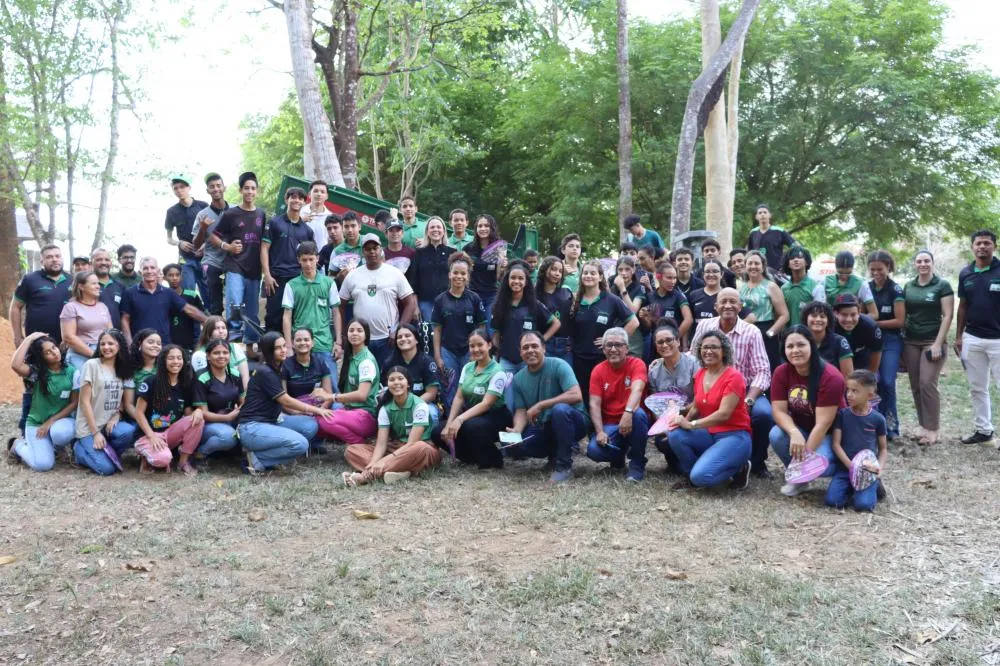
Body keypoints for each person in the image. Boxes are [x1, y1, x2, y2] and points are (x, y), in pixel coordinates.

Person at [690, 288, 773, 479]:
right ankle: (716, 457)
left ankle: (756, 462)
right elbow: (693, 356)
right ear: (716, 306)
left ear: (740, 306)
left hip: (745, 390)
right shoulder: (704, 326)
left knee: (763, 414)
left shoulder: (751, 331)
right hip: (712, 388)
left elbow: (762, 371)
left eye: (733, 302)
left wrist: (749, 400)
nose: (728, 305)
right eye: (723, 301)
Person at [669, 330, 753, 489]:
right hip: (709, 433)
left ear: (724, 351)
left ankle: (739, 468)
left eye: (714, 347)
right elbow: (696, 406)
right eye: (705, 347)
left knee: (702, 477)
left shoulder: (734, 377)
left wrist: (691, 425)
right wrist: (682, 422)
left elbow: (723, 414)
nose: (708, 351)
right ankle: (691, 475)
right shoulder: (700, 373)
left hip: (734, 435)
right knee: (676, 435)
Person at [238, 332, 331, 473]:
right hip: (252, 427)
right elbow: (285, 400)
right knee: (300, 444)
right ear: (269, 351)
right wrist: (317, 410)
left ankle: (274, 452)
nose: (284, 350)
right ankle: (257, 459)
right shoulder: (265, 372)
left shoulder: (278, 368)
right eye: (278, 348)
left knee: (310, 425)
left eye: (284, 346)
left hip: (273, 420)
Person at [769, 325, 846, 496]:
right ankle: (802, 480)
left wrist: (803, 465)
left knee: (820, 465)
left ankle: (842, 469)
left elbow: (823, 424)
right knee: (776, 435)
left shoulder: (831, 377)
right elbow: (779, 411)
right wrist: (794, 432)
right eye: (790, 346)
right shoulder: (781, 372)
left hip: (830, 433)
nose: (795, 350)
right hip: (803, 428)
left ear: (812, 345)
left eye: (801, 345)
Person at [506, 330, 589, 483]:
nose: (530, 350)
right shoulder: (518, 379)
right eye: (525, 347)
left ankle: (564, 466)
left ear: (544, 348)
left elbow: (576, 395)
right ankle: (554, 455)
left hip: (574, 421)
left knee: (560, 410)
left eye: (534, 346)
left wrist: (541, 405)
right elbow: (521, 410)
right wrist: (517, 430)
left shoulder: (559, 365)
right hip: (544, 426)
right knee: (512, 446)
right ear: (520, 352)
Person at [342, 366, 442, 487]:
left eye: (400, 379)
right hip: (397, 448)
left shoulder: (419, 405)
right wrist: (374, 462)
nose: (396, 383)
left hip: (419, 450)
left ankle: (365, 476)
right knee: (351, 450)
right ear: (387, 385)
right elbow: (381, 444)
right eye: (392, 380)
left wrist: (383, 461)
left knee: (420, 447)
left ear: (408, 384)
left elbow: (411, 444)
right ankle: (401, 472)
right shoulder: (385, 409)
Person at [432, 328, 512, 468]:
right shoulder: (468, 367)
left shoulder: (498, 372)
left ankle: (493, 460)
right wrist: (450, 422)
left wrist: (460, 419)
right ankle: (472, 457)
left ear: (489, 345)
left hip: (496, 416)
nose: (476, 349)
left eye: (480, 345)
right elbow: (459, 396)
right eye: (472, 346)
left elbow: (487, 403)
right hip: (472, 414)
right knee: (438, 432)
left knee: (471, 426)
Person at [339, 233, 417, 367]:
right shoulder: (352, 275)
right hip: (362, 339)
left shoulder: (395, 273)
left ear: (381, 249)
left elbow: (410, 303)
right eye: (368, 249)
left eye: (375, 248)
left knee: (389, 378)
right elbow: (340, 306)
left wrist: (398, 330)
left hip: (388, 338)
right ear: (363, 252)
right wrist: (344, 333)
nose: (372, 252)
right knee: (364, 377)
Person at [902, 249, 953, 446]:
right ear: (915, 264)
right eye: (919, 261)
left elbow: (948, 316)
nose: (923, 264)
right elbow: (905, 315)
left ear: (932, 263)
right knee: (915, 385)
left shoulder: (942, 285)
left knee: (927, 383)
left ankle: (933, 429)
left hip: (933, 341)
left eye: (926, 261)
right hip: (911, 342)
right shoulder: (909, 286)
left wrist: (938, 343)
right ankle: (923, 426)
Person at [569, 260, 639, 404]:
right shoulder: (575, 300)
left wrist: (611, 341)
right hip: (578, 359)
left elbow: (634, 322)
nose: (588, 276)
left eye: (593, 273)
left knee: (601, 398)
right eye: (586, 273)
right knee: (582, 399)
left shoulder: (611, 299)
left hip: (602, 359)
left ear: (600, 277)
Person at [585, 327, 649, 482]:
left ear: (627, 348)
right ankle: (618, 456)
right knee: (593, 451)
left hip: (633, 420)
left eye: (618, 345)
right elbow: (594, 404)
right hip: (611, 425)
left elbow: (638, 389)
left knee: (638, 414)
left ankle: (637, 463)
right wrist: (599, 431)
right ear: (604, 349)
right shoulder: (598, 370)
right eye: (609, 345)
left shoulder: (637, 364)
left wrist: (627, 413)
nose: (613, 349)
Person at [72, 329, 138, 476]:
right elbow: (84, 402)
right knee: (106, 469)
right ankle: (78, 451)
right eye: (102, 344)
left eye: (111, 344)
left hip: (108, 424)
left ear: (120, 346)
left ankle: (105, 451)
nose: (106, 347)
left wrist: (117, 415)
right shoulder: (91, 365)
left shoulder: (123, 369)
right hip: (89, 428)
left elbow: (121, 399)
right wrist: (95, 433)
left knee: (129, 431)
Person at [955, 229, 1000, 445]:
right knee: (977, 387)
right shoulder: (965, 273)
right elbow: (962, 307)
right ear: (973, 247)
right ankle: (984, 430)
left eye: (987, 243)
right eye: (978, 243)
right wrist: (958, 336)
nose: (982, 247)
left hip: (998, 340)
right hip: (972, 338)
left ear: (994, 246)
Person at [8, 333, 78, 471]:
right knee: (43, 465)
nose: (54, 352)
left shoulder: (72, 371)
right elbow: (16, 365)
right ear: (42, 357)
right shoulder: (37, 373)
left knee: (62, 434)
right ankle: (18, 446)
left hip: (60, 422)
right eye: (48, 352)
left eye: (54, 347)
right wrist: (28, 339)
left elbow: (74, 403)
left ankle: (57, 447)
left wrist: (50, 421)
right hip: (36, 424)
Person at [211, 171, 266, 346]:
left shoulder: (262, 215)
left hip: (254, 269)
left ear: (257, 191)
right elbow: (213, 235)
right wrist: (227, 247)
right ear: (240, 191)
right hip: (234, 266)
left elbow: (267, 242)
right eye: (246, 188)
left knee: (252, 311)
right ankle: (231, 343)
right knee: (234, 304)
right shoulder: (230, 214)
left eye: (253, 188)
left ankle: (250, 346)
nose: (250, 192)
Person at [133, 345, 203, 475]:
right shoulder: (150, 381)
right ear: (163, 361)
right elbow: (138, 412)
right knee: (163, 460)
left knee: (198, 420)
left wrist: (198, 411)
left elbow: (188, 416)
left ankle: (183, 462)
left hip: (169, 434)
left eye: (179, 358)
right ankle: (144, 455)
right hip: (149, 434)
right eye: (171, 358)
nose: (176, 362)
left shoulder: (184, 385)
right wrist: (151, 435)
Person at [282, 241, 342, 387]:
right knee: (301, 389)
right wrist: (289, 346)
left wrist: (338, 342)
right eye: (304, 260)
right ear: (299, 260)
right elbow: (287, 316)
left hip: (324, 343)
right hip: (301, 344)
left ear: (317, 258)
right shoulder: (291, 285)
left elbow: (336, 312)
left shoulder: (328, 283)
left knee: (332, 388)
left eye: (311, 259)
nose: (308, 264)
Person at [432, 252, 486, 410]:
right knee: (450, 388)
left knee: (470, 386)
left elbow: (481, 327)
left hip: (469, 352)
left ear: (468, 276)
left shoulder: (474, 299)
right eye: (455, 272)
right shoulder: (440, 300)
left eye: (463, 273)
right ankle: (450, 420)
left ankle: (469, 422)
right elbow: (437, 329)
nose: (459, 276)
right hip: (448, 351)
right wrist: (437, 356)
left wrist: (476, 351)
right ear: (449, 274)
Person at [492, 260, 559, 390]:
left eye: (521, 278)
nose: (516, 281)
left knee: (528, 394)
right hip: (507, 360)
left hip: (528, 360)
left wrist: (542, 340)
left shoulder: (534, 304)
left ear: (526, 282)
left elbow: (556, 323)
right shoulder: (500, 305)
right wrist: (500, 348)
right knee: (508, 398)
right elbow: (496, 333)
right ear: (507, 280)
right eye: (513, 278)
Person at [827, 370, 887, 512]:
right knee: (832, 501)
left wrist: (879, 468)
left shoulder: (878, 419)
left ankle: (875, 485)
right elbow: (836, 444)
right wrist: (852, 467)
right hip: (845, 469)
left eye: (855, 391)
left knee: (863, 506)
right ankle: (851, 488)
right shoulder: (842, 415)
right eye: (848, 390)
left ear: (869, 395)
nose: (849, 394)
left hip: (867, 471)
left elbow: (883, 449)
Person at [316, 320, 381, 444]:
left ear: (366, 335)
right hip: (349, 411)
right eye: (351, 330)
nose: (354, 334)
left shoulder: (366, 361)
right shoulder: (352, 356)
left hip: (366, 415)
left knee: (324, 421)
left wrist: (331, 396)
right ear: (346, 335)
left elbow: (362, 395)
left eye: (359, 330)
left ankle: (359, 443)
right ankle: (349, 435)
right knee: (315, 424)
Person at [261, 186, 314, 333]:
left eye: (300, 198)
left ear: (304, 202)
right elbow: (264, 248)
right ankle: (271, 353)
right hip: (276, 279)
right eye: (293, 197)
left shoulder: (307, 230)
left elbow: (311, 257)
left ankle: (293, 352)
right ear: (287, 199)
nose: (296, 200)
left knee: (298, 317)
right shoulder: (275, 223)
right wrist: (267, 275)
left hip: (298, 280)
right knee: (273, 317)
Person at [647, 321, 698, 471]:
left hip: (694, 417)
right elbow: (655, 405)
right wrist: (661, 426)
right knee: (662, 440)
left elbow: (700, 398)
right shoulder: (654, 372)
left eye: (669, 340)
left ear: (677, 341)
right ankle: (676, 463)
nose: (665, 345)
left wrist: (681, 414)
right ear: (656, 346)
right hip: (668, 421)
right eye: (660, 342)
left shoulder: (693, 364)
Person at [120, 257, 206, 345]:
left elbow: (189, 309)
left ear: (157, 271)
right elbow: (125, 320)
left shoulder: (168, 293)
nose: (149, 271)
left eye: (152, 268)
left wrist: (209, 321)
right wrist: (130, 344)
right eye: (145, 268)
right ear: (140, 272)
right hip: (140, 345)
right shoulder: (129, 293)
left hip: (163, 346)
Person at [867, 250, 905, 440]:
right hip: (871, 340)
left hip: (891, 340)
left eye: (880, 269)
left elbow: (899, 320)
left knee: (888, 382)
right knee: (873, 382)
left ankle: (892, 428)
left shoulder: (895, 290)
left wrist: (874, 323)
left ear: (888, 268)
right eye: (872, 269)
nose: (876, 273)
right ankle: (875, 426)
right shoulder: (866, 288)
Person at [192, 339, 244, 459]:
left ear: (230, 355)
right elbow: (203, 413)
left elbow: (243, 402)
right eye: (216, 353)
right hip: (208, 424)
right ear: (208, 356)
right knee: (229, 437)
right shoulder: (201, 377)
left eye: (225, 353)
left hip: (232, 419)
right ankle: (200, 454)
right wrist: (227, 418)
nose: (221, 356)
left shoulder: (235, 374)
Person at [10, 244, 71, 345]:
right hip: (37, 342)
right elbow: (15, 307)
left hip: (65, 342)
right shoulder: (30, 279)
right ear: (42, 261)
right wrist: (18, 337)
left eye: (57, 256)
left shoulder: (72, 281)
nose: (55, 259)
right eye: (49, 257)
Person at [740, 250, 789, 369]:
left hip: (766, 331)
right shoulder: (742, 288)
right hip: (746, 333)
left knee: (767, 368)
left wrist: (770, 333)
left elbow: (784, 315)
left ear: (763, 267)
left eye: (757, 263)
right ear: (745, 266)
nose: (753, 266)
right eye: (750, 263)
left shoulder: (771, 286)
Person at [164, 174, 209, 304]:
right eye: (175, 188)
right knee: (188, 292)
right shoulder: (171, 211)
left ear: (189, 188)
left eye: (182, 187)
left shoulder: (203, 206)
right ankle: (191, 322)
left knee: (209, 293)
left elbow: (214, 231)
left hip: (205, 258)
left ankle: (212, 321)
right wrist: (179, 243)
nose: (179, 190)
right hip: (186, 259)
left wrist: (205, 244)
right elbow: (169, 239)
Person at [383, 324, 441, 423]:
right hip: (397, 404)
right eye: (399, 337)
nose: (403, 339)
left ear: (416, 340)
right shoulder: (389, 363)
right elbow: (386, 390)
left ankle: (427, 439)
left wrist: (409, 406)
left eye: (407, 335)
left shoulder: (427, 362)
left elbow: (431, 394)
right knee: (383, 412)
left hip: (423, 403)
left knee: (431, 413)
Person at [190, 173, 230, 315]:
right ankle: (216, 333)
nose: (216, 189)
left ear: (224, 187)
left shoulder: (235, 210)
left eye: (218, 185)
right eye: (212, 187)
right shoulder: (202, 214)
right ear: (207, 190)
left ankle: (235, 332)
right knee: (216, 303)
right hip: (212, 261)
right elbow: (196, 244)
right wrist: (203, 228)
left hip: (233, 261)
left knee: (235, 300)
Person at [60, 271, 113, 369]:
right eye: (93, 283)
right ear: (81, 286)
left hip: (104, 351)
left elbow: (111, 332)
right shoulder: (71, 307)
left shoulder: (103, 306)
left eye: (98, 283)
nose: (98, 286)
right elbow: (68, 337)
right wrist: (94, 354)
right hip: (80, 354)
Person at [409, 216, 455, 323]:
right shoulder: (419, 253)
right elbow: (413, 283)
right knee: (431, 334)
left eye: (439, 227)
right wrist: (415, 307)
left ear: (443, 231)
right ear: (427, 231)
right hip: (426, 303)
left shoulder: (452, 252)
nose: (435, 229)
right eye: (432, 227)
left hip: (448, 302)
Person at [467, 214, 506, 328]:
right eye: (480, 226)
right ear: (476, 229)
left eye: (486, 226)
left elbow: (499, 278)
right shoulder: (468, 248)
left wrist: (502, 266)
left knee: (490, 329)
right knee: (473, 330)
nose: (483, 229)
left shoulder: (499, 248)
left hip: (491, 296)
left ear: (492, 228)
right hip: (473, 295)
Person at [191, 316, 250, 390]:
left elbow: (245, 378)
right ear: (208, 332)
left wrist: (243, 397)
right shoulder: (199, 354)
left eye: (223, 328)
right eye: (216, 328)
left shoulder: (235, 348)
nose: (221, 331)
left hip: (236, 395)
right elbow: (204, 383)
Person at [643, 260, 693, 347]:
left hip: (674, 346)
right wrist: (644, 318)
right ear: (658, 277)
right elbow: (648, 326)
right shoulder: (650, 297)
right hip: (656, 344)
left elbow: (688, 320)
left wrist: (674, 339)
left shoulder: (678, 296)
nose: (673, 281)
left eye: (675, 278)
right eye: (669, 278)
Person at [280, 327, 334, 408]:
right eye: (298, 340)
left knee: (339, 406)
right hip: (295, 409)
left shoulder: (321, 363)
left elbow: (328, 396)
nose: (302, 343)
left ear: (312, 343)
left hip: (319, 407)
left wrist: (321, 410)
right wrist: (298, 413)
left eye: (306, 340)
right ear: (292, 343)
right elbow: (283, 401)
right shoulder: (285, 365)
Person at [814, 251, 878, 318]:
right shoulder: (825, 282)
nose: (844, 276)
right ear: (835, 267)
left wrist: (855, 318)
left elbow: (874, 314)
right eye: (840, 273)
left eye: (848, 273)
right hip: (831, 325)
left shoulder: (861, 283)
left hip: (852, 325)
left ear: (853, 268)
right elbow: (819, 310)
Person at [535, 256, 574, 365]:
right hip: (544, 344)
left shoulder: (567, 293)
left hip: (565, 345)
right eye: (553, 269)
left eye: (560, 271)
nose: (557, 273)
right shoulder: (535, 294)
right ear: (544, 270)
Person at [609, 255, 649, 358]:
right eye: (620, 270)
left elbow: (633, 310)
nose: (623, 273)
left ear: (633, 270)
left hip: (633, 335)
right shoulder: (612, 288)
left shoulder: (639, 288)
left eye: (627, 269)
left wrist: (622, 288)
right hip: (614, 331)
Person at [832, 294, 882, 374]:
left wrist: (871, 375)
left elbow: (876, 352)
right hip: (836, 361)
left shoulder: (870, 326)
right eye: (844, 315)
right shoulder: (829, 326)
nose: (849, 319)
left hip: (862, 360)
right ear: (836, 313)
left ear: (859, 312)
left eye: (853, 314)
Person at [801, 300, 853, 376]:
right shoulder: (800, 341)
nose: (818, 319)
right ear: (806, 319)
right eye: (814, 316)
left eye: (822, 316)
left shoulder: (839, 341)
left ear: (828, 321)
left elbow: (848, 377)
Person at [162, 263, 203, 352]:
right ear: (164, 277)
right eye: (170, 275)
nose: (174, 278)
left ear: (181, 277)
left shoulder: (192, 295)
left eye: (177, 275)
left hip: (190, 343)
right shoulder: (162, 296)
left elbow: (198, 319)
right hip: (170, 344)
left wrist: (197, 342)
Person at [745, 204, 795, 274]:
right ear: (756, 217)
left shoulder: (779, 231)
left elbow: (794, 246)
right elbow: (749, 253)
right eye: (760, 213)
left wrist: (786, 260)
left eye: (765, 212)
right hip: (757, 271)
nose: (762, 214)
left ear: (770, 215)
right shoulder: (753, 233)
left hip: (776, 271)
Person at [687, 259, 728, 344]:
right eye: (707, 271)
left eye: (715, 271)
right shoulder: (694, 295)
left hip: (721, 343)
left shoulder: (728, 294)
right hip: (698, 343)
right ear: (703, 274)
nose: (711, 274)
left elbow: (748, 317)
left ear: (722, 274)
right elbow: (688, 321)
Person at [780, 246, 818, 327]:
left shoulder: (816, 287)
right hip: (789, 336)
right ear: (788, 264)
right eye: (792, 258)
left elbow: (820, 314)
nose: (796, 260)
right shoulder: (783, 289)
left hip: (809, 335)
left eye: (800, 257)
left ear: (806, 262)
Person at [91, 248, 124, 328]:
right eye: (99, 260)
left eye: (107, 260)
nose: (103, 263)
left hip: (115, 337)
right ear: (91, 262)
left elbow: (124, 316)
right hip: (92, 336)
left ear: (111, 263)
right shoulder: (85, 285)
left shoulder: (119, 286)